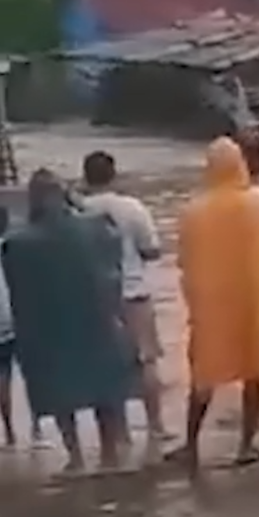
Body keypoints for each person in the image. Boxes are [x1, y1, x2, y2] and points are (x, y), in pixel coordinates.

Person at [0, 170, 136, 471]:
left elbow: (18, 293)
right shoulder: (97, 228)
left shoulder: (19, 243)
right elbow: (114, 266)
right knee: (105, 390)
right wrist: (80, 204)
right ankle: (109, 455)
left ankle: (75, 457)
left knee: (60, 394)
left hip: (50, 330)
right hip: (97, 322)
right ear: (64, 195)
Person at [173, 137, 259, 470]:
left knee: (203, 377)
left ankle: (190, 445)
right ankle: (246, 445)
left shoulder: (193, 211)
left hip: (210, 307)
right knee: (254, 375)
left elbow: (184, 260)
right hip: (254, 303)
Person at [80, 150, 167, 444]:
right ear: (113, 175)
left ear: (85, 176)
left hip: (94, 299)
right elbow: (152, 250)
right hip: (134, 294)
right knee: (146, 361)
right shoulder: (132, 208)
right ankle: (156, 426)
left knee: (105, 366)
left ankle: (120, 433)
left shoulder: (79, 212)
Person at [0, 203, 17, 447]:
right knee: (22, 375)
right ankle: (33, 430)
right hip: (10, 323)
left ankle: (8, 432)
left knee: (3, 377)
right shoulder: (9, 248)